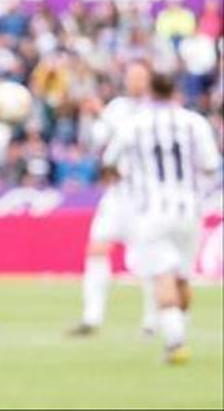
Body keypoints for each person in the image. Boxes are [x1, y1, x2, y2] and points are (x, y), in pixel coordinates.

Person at [101, 71, 222, 365]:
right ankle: (180, 327)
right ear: (175, 91)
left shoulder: (135, 124)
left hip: (152, 210)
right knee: (182, 276)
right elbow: (210, 165)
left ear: (151, 92)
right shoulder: (194, 122)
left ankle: (175, 342)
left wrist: (127, 177)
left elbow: (109, 161)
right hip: (189, 209)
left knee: (162, 276)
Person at [69, 61, 157, 337]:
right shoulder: (118, 106)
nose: (135, 82)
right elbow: (97, 141)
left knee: (149, 260)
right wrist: (90, 117)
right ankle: (91, 317)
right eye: (131, 76)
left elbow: (133, 138)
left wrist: (102, 114)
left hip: (146, 195)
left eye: (140, 77)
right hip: (117, 193)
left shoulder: (155, 110)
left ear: (149, 80)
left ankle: (151, 321)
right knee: (97, 248)